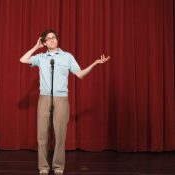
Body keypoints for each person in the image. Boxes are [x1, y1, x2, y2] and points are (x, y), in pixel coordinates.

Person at [19, 29, 110, 175]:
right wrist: (36, 47)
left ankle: (58, 166)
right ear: (45, 43)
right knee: (42, 134)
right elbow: (22, 60)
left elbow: (79, 74)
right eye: (48, 39)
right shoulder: (41, 57)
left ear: (57, 40)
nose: (52, 40)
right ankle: (43, 166)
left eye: (53, 37)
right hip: (44, 98)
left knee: (60, 134)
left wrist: (94, 63)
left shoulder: (67, 57)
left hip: (61, 99)